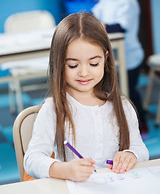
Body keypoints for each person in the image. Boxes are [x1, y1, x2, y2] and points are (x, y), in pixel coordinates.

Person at [24, 12, 149, 182]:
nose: (84, 72)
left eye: (93, 63)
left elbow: (141, 150)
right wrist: (64, 169)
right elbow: (31, 159)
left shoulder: (122, 105)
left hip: (116, 191)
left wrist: (131, 155)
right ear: (59, 63)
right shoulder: (53, 109)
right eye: (73, 65)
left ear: (105, 58)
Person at [92, 0, 149, 134]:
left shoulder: (127, 0)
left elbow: (121, 27)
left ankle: (141, 124)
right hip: (114, 56)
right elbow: (95, 14)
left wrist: (102, 26)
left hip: (130, 57)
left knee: (129, 92)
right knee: (115, 90)